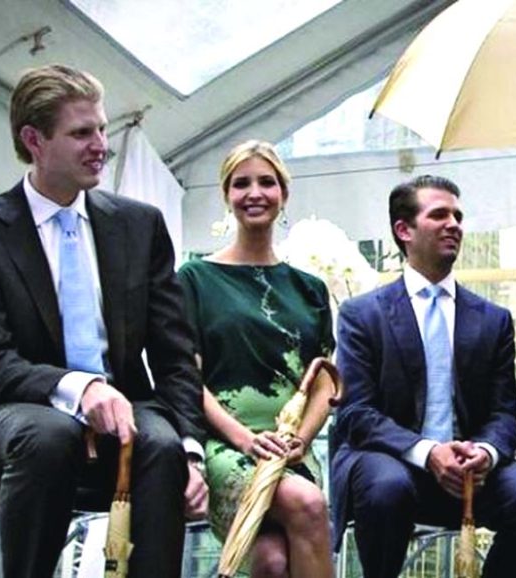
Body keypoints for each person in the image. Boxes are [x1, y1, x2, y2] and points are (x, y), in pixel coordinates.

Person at [0, 64, 209, 578]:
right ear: (34, 139)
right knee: (50, 436)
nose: (101, 144)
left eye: (102, 129)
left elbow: (173, 354)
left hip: (125, 403)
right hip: (9, 407)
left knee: (162, 447)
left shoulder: (140, 225)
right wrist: (79, 389)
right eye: (82, 133)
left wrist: (192, 449)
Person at [330, 175, 516, 578]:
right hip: (389, 462)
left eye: (458, 215)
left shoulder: (492, 320)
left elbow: (504, 414)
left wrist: (484, 453)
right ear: (404, 230)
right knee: (387, 488)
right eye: (439, 215)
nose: (454, 224)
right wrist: (427, 451)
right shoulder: (362, 315)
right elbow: (355, 414)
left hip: (469, 471)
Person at [177, 140, 336, 578]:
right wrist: (245, 439)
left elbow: (324, 380)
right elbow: (187, 377)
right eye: (241, 183)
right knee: (306, 504)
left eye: (267, 182)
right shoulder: (194, 278)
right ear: (226, 196)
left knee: (271, 563)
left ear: (283, 194)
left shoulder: (310, 289)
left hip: (291, 450)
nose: (255, 193)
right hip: (226, 448)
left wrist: (301, 440)